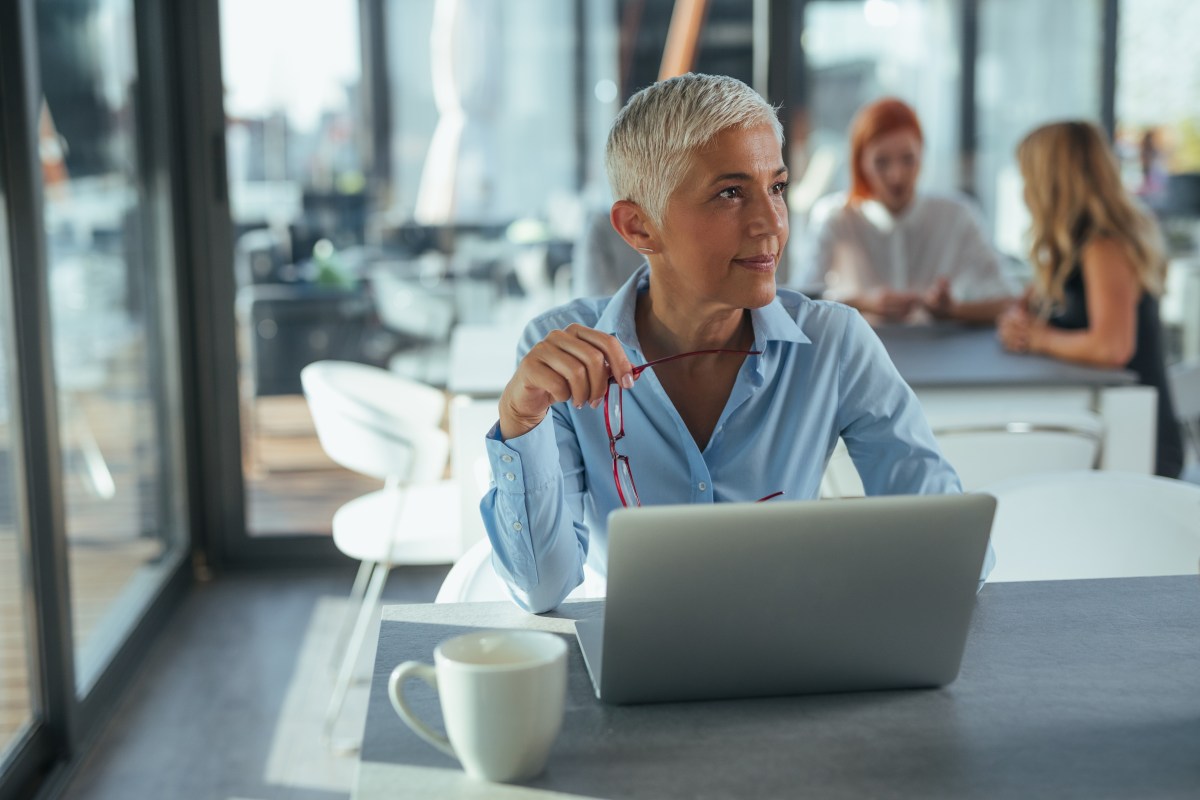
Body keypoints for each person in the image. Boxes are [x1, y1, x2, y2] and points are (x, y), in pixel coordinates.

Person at [480, 74, 984, 614]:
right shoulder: (557, 354)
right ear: (639, 228)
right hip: (633, 657)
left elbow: (955, 558)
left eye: (777, 187)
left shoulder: (834, 343)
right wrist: (519, 419)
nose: (771, 224)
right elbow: (542, 588)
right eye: (730, 194)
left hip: (788, 652)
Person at [998, 121, 1184, 479]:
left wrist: (1037, 339)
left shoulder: (1105, 246)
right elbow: (1027, 305)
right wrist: (1018, 323)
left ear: (1051, 180)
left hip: (1140, 442)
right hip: (1119, 426)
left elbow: (1111, 347)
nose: (1024, 193)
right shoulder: (1074, 247)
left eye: (1028, 177)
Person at [803, 97, 1014, 324]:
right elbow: (801, 302)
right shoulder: (835, 216)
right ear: (860, 163)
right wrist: (863, 302)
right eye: (881, 162)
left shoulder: (957, 215)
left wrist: (953, 310)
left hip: (939, 353)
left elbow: (1009, 300)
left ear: (922, 155)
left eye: (908, 159)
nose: (897, 175)